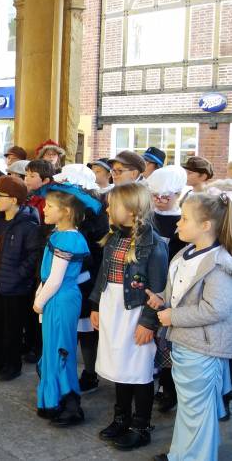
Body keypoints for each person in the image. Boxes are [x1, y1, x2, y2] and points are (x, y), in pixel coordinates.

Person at [148, 192, 232, 461]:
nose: (177, 224)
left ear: (206, 225)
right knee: (191, 408)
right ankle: (182, 454)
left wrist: (174, 317)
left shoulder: (219, 264)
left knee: (197, 410)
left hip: (203, 347)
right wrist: (161, 299)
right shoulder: (186, 253)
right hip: (186, 342)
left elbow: (216, 309)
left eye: (184, 219)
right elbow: (179, 293)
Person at [90, 183, 168, 451]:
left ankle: (141, 425)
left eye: (113, 204)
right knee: (120, 367)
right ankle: (121, 417)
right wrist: (96, 305)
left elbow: (158, 288)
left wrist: (149, 322)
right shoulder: (113, 237)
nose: (108, 208)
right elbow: (103, 273)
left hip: (135, 314)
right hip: (113, 309)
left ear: (133, 210)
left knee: (138, 370)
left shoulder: (154, 244)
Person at [34, 184, 99, 426]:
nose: (44, 209)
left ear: (67, 212)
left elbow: (55, 279)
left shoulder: (68, 239)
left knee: (61, 349)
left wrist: (39, 302)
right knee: (54, 348)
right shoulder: (61, 235)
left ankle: (71, 405)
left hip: (61, 299)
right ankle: (55, 401)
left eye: (50, 206)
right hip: (58, 298)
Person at [0, 175, 41, 381]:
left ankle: (13, 365)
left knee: (12, 328)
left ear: (13, 200)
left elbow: (33, 256)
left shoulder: (28, 225)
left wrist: (18, 275)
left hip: (16, 287)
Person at [24, 160, 54, 224]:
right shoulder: (31, 192)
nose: (27, 179)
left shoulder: (48, 199)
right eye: (26, 175)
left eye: (32, 176)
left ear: (45, 181)